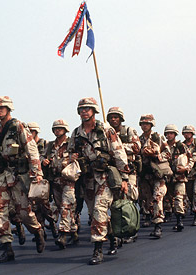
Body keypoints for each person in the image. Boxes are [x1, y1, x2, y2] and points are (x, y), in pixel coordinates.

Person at [68, 97, 130, 265]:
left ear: (94, 111)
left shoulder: (106, 130)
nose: (84, 112)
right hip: (87, 180)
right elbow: (69, 153)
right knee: (96, 214)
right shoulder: (76, 133)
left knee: (98, 210)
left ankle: (97, 249)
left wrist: (124, 178)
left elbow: (119, 153)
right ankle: (112, 237)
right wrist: (72, 157)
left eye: (87, 109)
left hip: (104, 178)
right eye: (81, 109)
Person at [0, 96, 45, 263]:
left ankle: (37, 230)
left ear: (9, 108)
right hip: (0, 176)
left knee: (24, 213)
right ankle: (7, 248)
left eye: (1, 108)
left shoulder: (18, 126)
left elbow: (32, 150)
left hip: (17, 175)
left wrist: (37, 173)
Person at [42, 119, 78, 249]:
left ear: (65, 130)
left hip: (68, 180)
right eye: (55, 129)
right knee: (59, 206)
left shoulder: (71, 143)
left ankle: (62, 234)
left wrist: (71, 159)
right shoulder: (50, 145)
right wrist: (44, 161)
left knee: (65, 205)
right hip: (55, 180)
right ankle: (73, 230)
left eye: (60, 128)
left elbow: (77, 156)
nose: (57, 130)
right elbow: (41, 156)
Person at [107, 107, 141, 243]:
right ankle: (118, 230)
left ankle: (131, 228)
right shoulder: (106, 132)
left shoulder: (128, 131)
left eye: (116, 117)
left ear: (121, 119)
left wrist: (118, 146)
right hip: (113, 171)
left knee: (129, 198)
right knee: (115, 202)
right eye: (111, 117)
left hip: (128, 170)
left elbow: (136, 147)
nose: (114, 119)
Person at [138, 114, 170, 238]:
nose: (144, 126)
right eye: (143, 124)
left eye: (147, 123)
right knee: (146, 199)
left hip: (157, 174)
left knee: (158, 197)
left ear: (151, 125)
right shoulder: (138, 139)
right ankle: (149, 217)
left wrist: (156, 155)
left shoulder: (158, 138)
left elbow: (168, 154)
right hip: (145, 174)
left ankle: (158, 225)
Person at [29, 121, 58, 240]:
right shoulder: (25, 145)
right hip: (31, 179)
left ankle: (52, 223)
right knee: (34, 207)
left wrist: (44, 161)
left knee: (45, 206)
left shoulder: (45, 144)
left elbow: (50, 156)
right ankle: (41, 230)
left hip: (44, 178)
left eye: (31, 131)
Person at [163, 124, 188, 232]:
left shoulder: (181, 146)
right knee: (168, 199)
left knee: (178, 198)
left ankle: (179, 220)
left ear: (175, 134)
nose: (169, 135)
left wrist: (186, 168)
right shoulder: (163, 146)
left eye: (171, 133)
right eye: (167, 133)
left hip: (179, 177)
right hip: (167, 177)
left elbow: (190, 158)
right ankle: (169, 214)